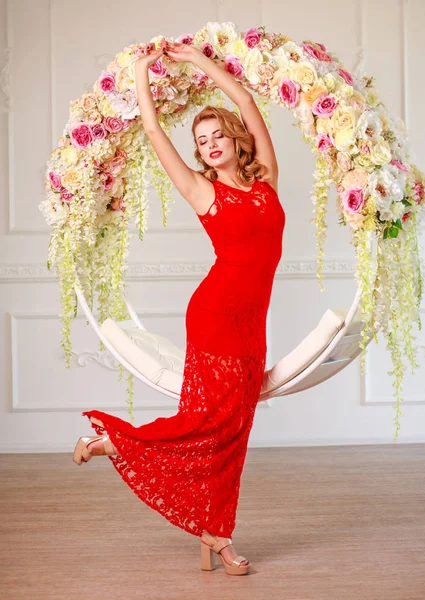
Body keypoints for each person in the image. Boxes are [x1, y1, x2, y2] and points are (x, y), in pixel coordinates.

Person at [73, 39, 285, 576]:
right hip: (214, 316)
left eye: (218, 136)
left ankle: (214, 534)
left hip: (252, 324)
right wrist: (143, 76)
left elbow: (251, 106)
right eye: (201, 140)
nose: (211, 145)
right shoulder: (202, 192)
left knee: (234, 433)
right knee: (207, 424)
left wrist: (199, 62)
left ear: (236, 142)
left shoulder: (266, 181)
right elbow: (152, 133)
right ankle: (113, 445)